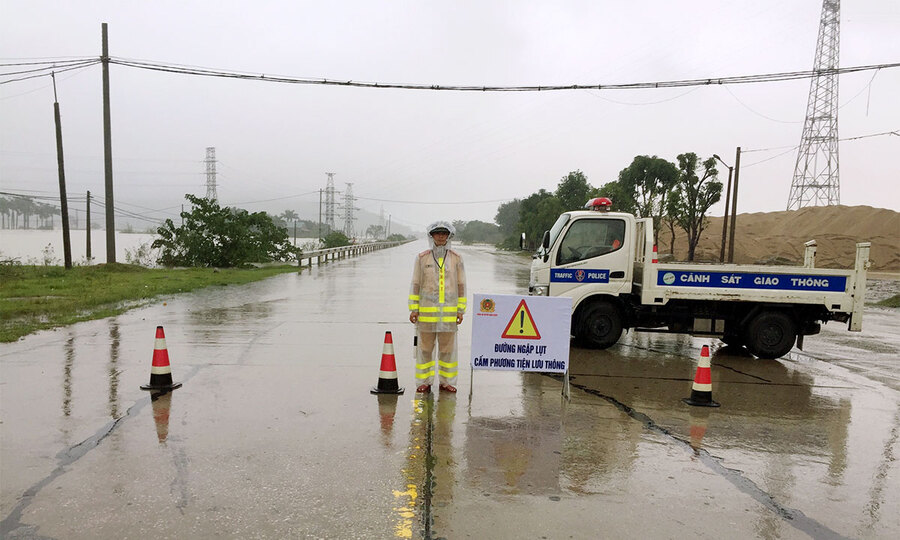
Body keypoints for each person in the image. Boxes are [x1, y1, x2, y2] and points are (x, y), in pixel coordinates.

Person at [408, 221, 466, 393]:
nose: (441, 236)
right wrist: (414, 308)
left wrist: (460, 310)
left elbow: (461, 285)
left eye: (444, 233)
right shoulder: (422, 258)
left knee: (448, 351)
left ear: (449, 236)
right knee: (425, 350)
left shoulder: (456, 258)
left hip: (448, 316)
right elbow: (416, 284)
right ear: (431, 236)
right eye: (437, 233)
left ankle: (446, 382)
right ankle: (424, 381)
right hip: (426, 315)